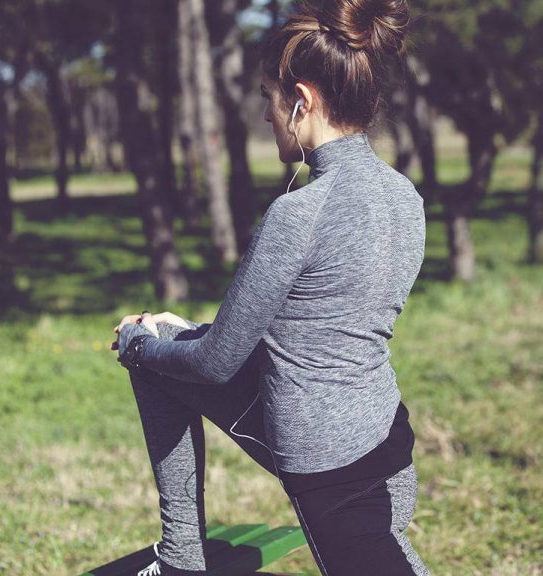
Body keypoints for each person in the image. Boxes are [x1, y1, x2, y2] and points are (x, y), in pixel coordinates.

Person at [112, 0, 429, 574]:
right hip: (388, 443)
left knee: (148, 351)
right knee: (162, 347)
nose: (265, 115)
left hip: (330, 469)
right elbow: (315, 327)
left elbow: (215, 366)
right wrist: (180, 335)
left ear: (301, 101)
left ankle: (182, 558)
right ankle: (181, 558)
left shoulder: (299, 215)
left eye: (269, 98)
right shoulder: (404, 197)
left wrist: (138, 347)